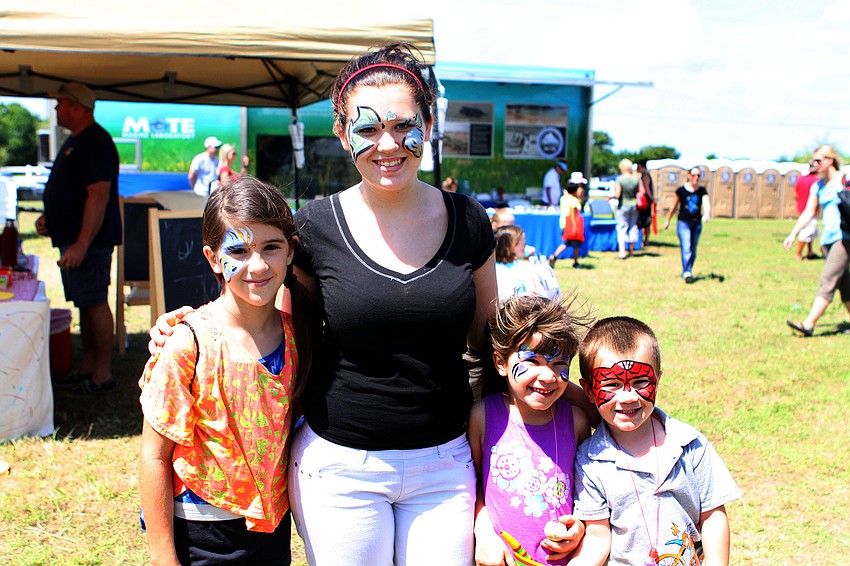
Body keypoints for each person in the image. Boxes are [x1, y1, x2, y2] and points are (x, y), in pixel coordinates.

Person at [150, 43, 499, 565]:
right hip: (341, 469)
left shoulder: (470, 220)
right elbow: (267, 315)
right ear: (340, 133)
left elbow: (491, 340)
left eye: (405, 125)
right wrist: (188, 327)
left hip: (445, 464)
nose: (389, 144)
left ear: (429, 124)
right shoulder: (312, 228)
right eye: (368, 129)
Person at [139, 177, 313, 564]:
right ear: (213, 257)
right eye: (238, 250)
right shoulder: (188, 343)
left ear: (290, 252)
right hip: (202, 531)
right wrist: (162, 557)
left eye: (271, 247)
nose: (257, 265)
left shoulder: (297, 334)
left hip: (271, 529)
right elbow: (153, 456)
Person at [570, 316, 741, 566]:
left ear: (657, 381)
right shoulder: (589, 461)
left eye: (640, 382)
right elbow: (597, 536)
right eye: (611, 384)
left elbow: (714, 517)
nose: (627, 396)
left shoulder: (689, 445)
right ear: (588, 391)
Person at [468, 294, 591, 566]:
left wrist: (580, 526)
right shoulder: (482, 418)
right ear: (501, 363)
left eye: (560, 364)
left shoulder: (577, 423)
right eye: (533, 361)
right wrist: (483, 530)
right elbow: (471, 487)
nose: (548, 376)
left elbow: (589, 497)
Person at [36, 82, 121, 396]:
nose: (56, 109)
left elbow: (98, 197)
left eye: (60, 103)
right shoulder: (78, 140)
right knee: (86, 303)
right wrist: (53, 218)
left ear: (77, 106)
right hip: (76, 240)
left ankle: (102, 374)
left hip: (89, 244)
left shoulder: (94, 141)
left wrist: (82, 244)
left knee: (95, 301)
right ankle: (88, 368)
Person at [784, 145, 850, 337]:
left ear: (830, 160)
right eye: (813, 161)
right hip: (827, 240)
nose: (815, 164)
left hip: (844, 239)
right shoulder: (818, 185)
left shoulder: (845, 180)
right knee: (844, 284)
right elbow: (809, 211)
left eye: (818, 161)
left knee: (828, 280)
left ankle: (808, 324)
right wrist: (793, 233)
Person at [663, 167, 711, 283]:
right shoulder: (681, 191)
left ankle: (688, 269)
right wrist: (668, 220)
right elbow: (674, 206)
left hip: (696, 223)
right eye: (694, 175)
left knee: (693, 250)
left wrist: (707, 214)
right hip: (683, 222)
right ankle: (687, 272)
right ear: (689, 175)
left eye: (699, 175)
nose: (696, 178)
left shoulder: (702, 191)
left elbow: (706, 203)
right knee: (686, 247)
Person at [495, 225, 557, 304]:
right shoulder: (525, 268)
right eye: (520, 243)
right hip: (520, 312)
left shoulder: (491, 268)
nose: (524, 246)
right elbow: (537, 296)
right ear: (510, 246)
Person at [548, 174, 587, 269]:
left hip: (563, 224)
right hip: (572, 225)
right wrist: (574, 226)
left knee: (566, 243)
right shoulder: (574, 201)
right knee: (575, 245)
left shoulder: (563, 198)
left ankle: (554, 256)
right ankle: (575, 262)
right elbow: (573, 213)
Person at [612, 159, 641, 259]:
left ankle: (622, 252)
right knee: (633, 227)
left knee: (622, 228)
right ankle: (631, 251)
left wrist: (611, 197)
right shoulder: (636, 179)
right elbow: (640, 192)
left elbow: (617, 194)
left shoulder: (620, 179)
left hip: (623, 205)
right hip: (634, 205)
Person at [792, 160, 820, 261]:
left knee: (810, 232)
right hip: (811, 211)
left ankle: (810, 252)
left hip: (802, 209)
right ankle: (798, 254)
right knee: (807, 232)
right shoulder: (817, 181)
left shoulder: (800, 179)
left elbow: (795, 195)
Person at [635, 159, 656, 247]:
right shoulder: (645, 175)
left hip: (645, 203)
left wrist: (651, 199)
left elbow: (646, 189)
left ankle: (644, 240)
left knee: (645, 222)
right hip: (646, 202)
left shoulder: (645, 175)